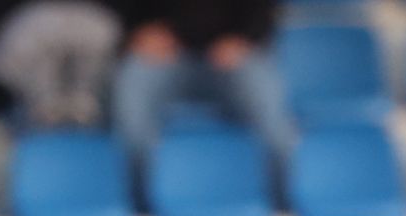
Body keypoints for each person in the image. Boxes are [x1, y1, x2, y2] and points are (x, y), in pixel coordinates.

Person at [111, 0, 293, 164]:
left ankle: (282, 195)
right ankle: (138, 194)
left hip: (232, 55)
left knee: (269, 109)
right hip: (167, 53)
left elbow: (264, 11)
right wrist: (140, 30)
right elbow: (124, 9)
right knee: (133, 80)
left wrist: (244, 38)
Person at [0, 0, 121, 128]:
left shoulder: (100, 23)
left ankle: (84, 106)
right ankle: (44, 108)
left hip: (93, 13)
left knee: (101, 33)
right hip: (22, 112)